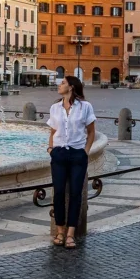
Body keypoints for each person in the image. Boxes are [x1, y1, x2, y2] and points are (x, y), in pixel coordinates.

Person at [46, 76, 96, 249]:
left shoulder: (85, 107)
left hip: (77, 155)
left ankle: (70, 234)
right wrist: (51, 149)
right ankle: (60, 231)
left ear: (72, 87)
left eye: (62, 83)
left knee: (76, 194)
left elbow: (91, 132)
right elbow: (53, 131)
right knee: (58, 192)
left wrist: (86, 151)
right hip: (59, 154)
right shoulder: (55, 108)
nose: (59, 85)